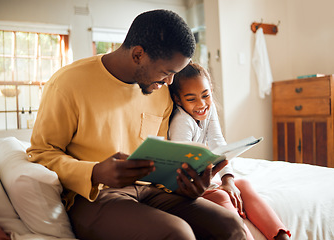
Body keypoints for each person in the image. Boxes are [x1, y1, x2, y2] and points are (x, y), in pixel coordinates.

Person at [27, 9, 247, 240]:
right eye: (166, 72)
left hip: (150, 190)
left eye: (175, 74)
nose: (170, 82)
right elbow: (41, 153)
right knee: (177, 233)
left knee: (229, 223)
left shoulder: (160, 91)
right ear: (138, 54)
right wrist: (94, 172)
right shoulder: (68, 84)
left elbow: (163, 157)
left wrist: (186, 185)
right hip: (93, 196)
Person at [168, 62, 291, 240]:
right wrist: (217, 185)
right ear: (178, 100)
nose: (201, 104)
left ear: (210, 90)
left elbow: (218, 142)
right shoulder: (181, 122)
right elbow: (183, 165)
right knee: (220, 196)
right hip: (192, 188)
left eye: (206, 95)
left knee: (243, 186)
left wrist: (228, 180)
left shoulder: (208, 111)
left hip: (209, 180)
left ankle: (280, 236)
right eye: (191, 99)